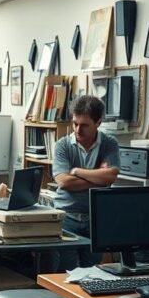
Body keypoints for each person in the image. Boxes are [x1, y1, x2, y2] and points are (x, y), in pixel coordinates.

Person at [49, 95, 120, 272]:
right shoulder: (63, 145)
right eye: (75, 124)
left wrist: (76, 171)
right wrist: (98, 178)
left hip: (95, 218)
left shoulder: (109, 143)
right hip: (67, 217)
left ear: (98, 123)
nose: (78, 130)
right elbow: (64, 181)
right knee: (66, 272)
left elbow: (110, 176)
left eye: (84, 125)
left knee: (92, 273)